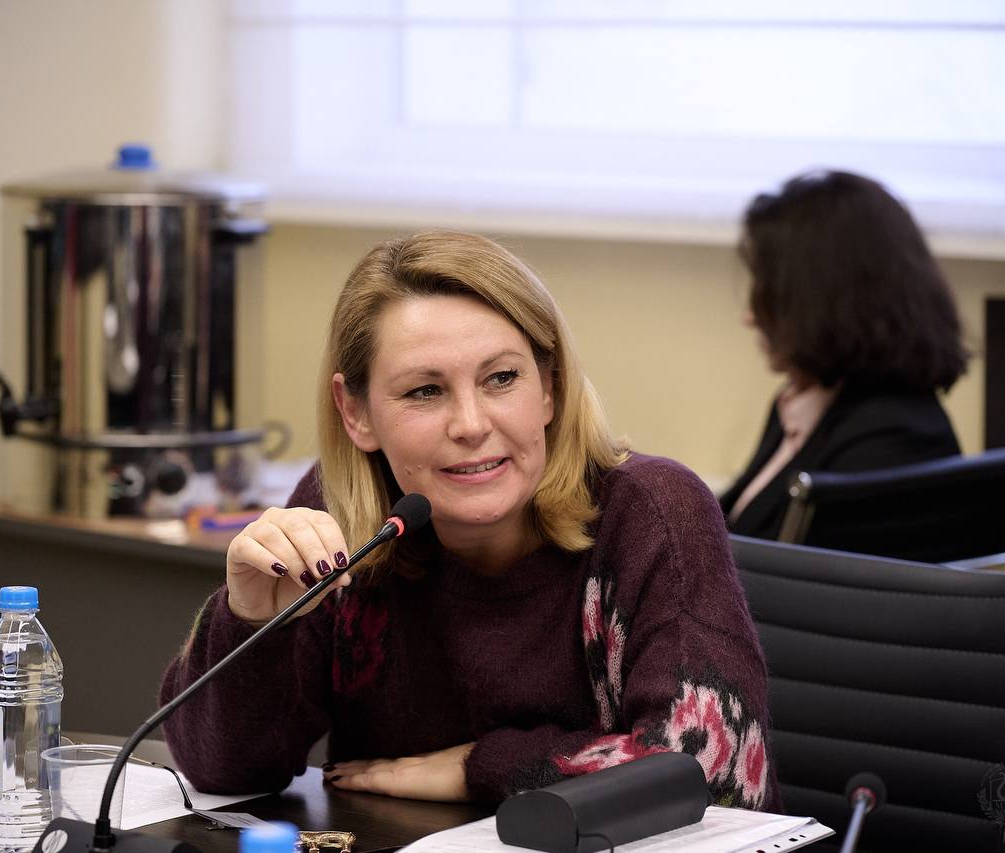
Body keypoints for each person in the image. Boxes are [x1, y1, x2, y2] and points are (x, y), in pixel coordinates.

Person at [161, 231, 778, 810]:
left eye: (501, 379)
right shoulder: (343, 515)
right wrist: (249, 620)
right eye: (424, 391)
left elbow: (713, 773)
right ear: (357, 413)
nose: (471, 424)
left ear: (549, 389)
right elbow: (224, 771)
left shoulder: (652, 510)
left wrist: (480, 767)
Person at [720, 170, 970, 540]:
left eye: (769, 293)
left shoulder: (894, 441)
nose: (750, 316)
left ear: (820, 301)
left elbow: (779, 567)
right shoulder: (801, 402)